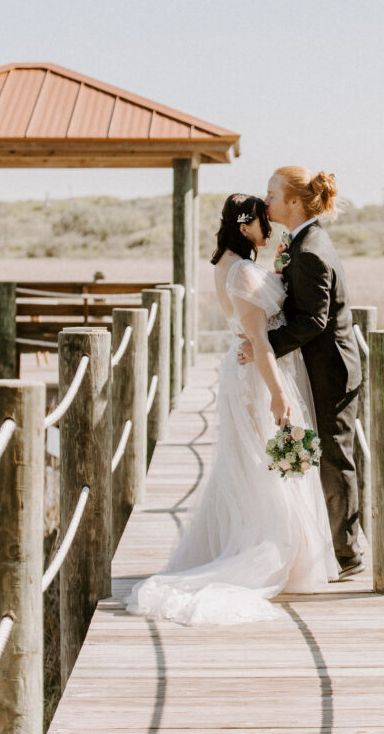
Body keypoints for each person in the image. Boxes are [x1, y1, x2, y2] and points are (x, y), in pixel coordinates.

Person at [126, 193, 338, 626]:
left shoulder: (233, 264)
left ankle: (282, 548)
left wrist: (276, 268)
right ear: (246, 228)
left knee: (255, 462)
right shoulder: (241, 271)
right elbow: (258, 340)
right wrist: (279, 394)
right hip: (259, 377)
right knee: (269, 463)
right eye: (263, 220)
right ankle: (271, 551)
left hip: (254, 372)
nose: (271, 226)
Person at [239, 168, 363, 577]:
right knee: (325, 453)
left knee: (334, 457)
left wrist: (262, 348)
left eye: (272, 195)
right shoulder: (299, 242)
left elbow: (313, 320)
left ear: (293, 202)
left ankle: (347, 554)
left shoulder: (309, 250)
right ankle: (329, 543)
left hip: (330, 369)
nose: (266, 202)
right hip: (316, 367)